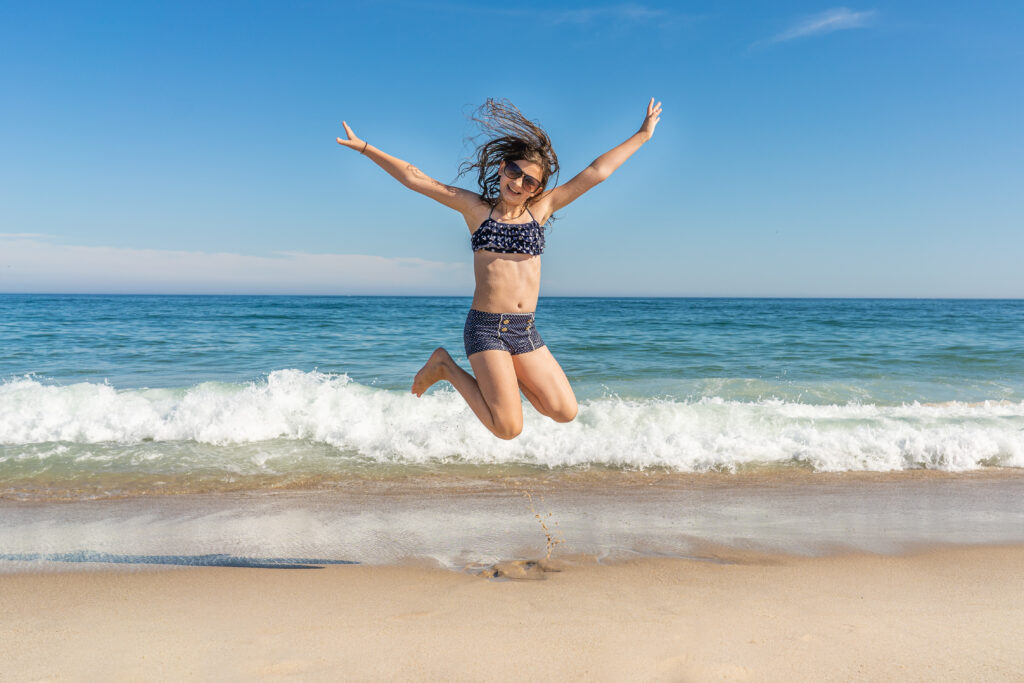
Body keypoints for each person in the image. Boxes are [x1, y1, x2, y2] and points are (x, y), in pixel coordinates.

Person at [336, 98, 662, 439]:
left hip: (525, 330)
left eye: (530, 182)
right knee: (508, 428)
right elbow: (416, 179)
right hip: (486, 328)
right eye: (514, 172)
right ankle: (445, 366)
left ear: (538, 188)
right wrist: (365, 148)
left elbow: (597, 172)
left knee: (565, 411)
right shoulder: (476, 210)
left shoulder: (541, 210)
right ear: (502, 168)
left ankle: (504, 377)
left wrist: (643, 135)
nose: (519, 184)